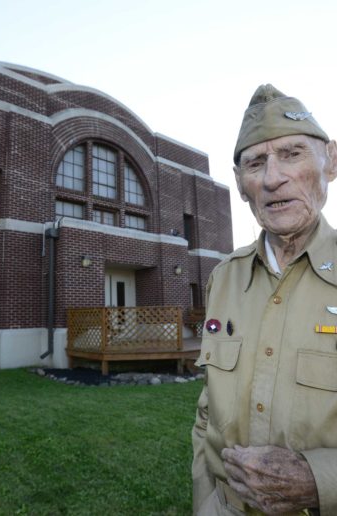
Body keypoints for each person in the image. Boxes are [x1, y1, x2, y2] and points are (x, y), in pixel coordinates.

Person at [192, 84, 337, 516]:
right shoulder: (224, 278)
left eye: (292, 154)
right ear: (241, 185)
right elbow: (206, 415)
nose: (273, 177)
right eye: (256, 163)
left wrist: (320, 480)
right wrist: (205, 503)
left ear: (330, 162)